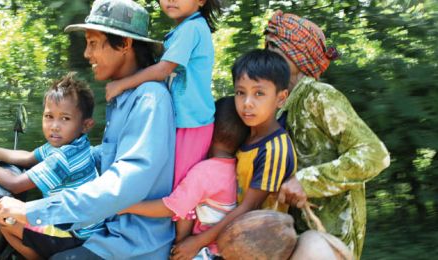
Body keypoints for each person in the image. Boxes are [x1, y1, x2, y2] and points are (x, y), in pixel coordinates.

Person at [0, 0, 176, 259]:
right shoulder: (123, 98)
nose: (87, 54)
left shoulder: (149, 99)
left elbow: (121, 184)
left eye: (93, 43)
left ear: (124, 44)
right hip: (105, 231)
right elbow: (103, 155)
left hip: (131, 244)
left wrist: (34, 209)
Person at [264, 10, 391, 259]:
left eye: (275, 46)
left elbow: (375, 155)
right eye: (267, 45)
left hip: (330, 240)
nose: (267, 53)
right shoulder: (280, 103)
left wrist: (307, 181)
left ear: (297, 54)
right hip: (292, 239)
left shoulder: (319, 95)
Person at [105, 0, 221, 242]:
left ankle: (179, 248)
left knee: (182, 190)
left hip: (192, 124)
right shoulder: (182, 29)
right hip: (182, 122)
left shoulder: (191, 29)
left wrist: (121, 84)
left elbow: (162, 71)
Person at [0, 73, 103, 259]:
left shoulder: (64, 157)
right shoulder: (73, 144)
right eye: (49, 116)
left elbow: (15, 184)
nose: (55, 126)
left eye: (65, 118)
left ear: (86, 125)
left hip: (72, 233)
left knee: (6, 223)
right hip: (82, 224)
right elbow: (27, 158)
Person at [171, 49, 298, 259]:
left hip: (259, 245)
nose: (247, 102)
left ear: (281, 98)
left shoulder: (275, 148)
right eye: (241, 92)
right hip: (231, 240)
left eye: (259, 93)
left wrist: (197, 242)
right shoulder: (247, 135)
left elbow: (249, 207)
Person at [118, 96, 249, 259]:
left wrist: (127, 206)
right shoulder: (235, 168)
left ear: (210, 129)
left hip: (207, 253)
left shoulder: (206, 172)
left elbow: (172, 207)